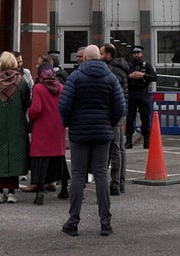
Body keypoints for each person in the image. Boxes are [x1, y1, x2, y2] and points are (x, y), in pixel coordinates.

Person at [58, 44, 126, 237]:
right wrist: (109, 123)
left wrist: (69, 122)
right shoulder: (110, 78)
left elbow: (64, 105)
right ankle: (105, 223)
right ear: (100, 57)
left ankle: (73, 221)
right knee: (101, 175)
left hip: (79, 132)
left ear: (85, 58)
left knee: (78, 175)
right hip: (103, 132)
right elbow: (120, 106)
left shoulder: (75, 77)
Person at [0, 51, 31, 204]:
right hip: (16, 123)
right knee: (15, 155)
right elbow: (26, 102)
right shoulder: (21, 82)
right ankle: (11, 192)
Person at [27, 63, 68, 205]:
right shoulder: (61, 87)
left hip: (42, 128)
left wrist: (30, 113)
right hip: (58, 127)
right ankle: (64, 189)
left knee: (42, 160)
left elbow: (36, 109)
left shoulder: (38, 88)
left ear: (40, 75)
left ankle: (40, 193)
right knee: (59, 158)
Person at [100, 44, 129, 195]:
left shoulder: (112, 71)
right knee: (119, 148)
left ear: (108, 55)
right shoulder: (120, 70)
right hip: (119, 112)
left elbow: (113, 95)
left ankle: (115, 183)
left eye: (101, 53)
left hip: (113, 114)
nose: (99, 56)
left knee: (114, 148)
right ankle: (120, 183)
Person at [124, 44, 157, 149]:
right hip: (131, 93)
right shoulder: (128, 65)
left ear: (141, 54)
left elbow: (154, 77)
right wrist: (130, 76)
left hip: (143, 93)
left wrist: (143, 75)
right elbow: (122, 77)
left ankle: (146, 140)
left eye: (138, 53)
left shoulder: (146, 65)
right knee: (130, 117)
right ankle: (128, 141)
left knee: (145, 117)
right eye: (134, 53)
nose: (136, 55)